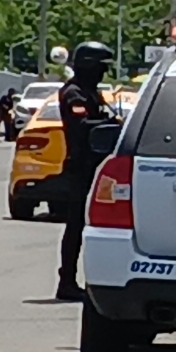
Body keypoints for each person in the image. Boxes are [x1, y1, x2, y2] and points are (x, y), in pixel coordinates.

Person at [54, 42, 115, 302]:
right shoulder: (74, 94)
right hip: (81, 166)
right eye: (100, 67)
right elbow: (82, 125)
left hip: (96, 166)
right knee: (76, 225)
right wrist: (110, 124)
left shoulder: (91, 93)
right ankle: (66, 281)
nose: (103, 73)